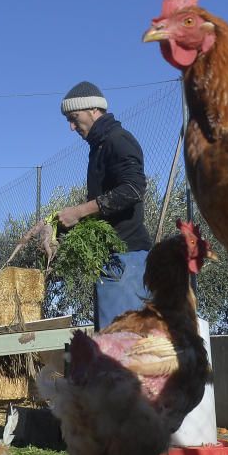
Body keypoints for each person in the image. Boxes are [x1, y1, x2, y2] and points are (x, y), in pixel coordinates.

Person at [57, 81, 152, 330]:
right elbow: (106, 204)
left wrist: (79, 211)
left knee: (122, 347)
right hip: (113, 261)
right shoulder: (98, 147)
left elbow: (133, 189)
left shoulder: (118, 140)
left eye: (74, 117)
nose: (71, 126)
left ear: (92, 110)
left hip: (127, 259)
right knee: (112, 343)